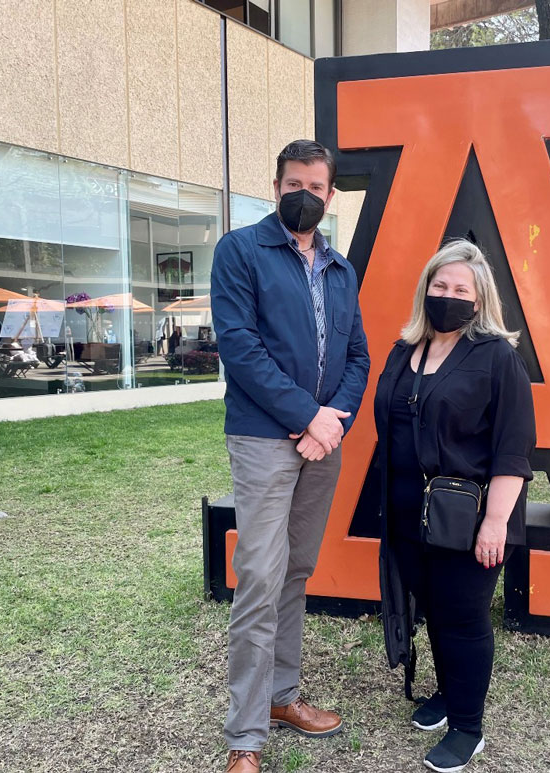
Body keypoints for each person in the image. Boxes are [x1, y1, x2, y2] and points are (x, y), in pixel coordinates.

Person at [211, 140, 370, 773]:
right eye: (293, 182)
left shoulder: (341, 269)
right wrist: (306, 418)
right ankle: (245, 738)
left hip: (321, 442)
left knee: (296, 572)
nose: (305, 193)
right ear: (275, 186)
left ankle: (282, 697)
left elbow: (357, 357)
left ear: (330, 198)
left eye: (317, 186)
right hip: (263, 439)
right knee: (258, 578)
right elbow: (240, 348)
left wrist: (327, 426)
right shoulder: (241, 251)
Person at [374, 240, 536, 773]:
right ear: (426, 291)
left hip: (467, 518)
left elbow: (513, 450)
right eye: (439, 286)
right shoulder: (406, 349)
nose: (448, 296)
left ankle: (468, 725)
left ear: (479, 297)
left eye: (459, 289)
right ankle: (447, 695)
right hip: (406, 514)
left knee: (463, 618)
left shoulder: (497, 358)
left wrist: (496, 522)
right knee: (435, 610)